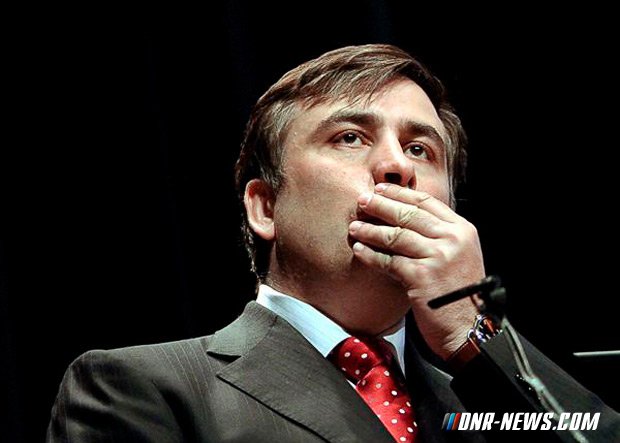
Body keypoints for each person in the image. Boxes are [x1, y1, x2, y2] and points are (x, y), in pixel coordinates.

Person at [47, 44, 619, 442]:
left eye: (421, 149)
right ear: (265, 207)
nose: (397, 166)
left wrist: (471, 332)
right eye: (350, 138)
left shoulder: (483, 402)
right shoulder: (146, 388)